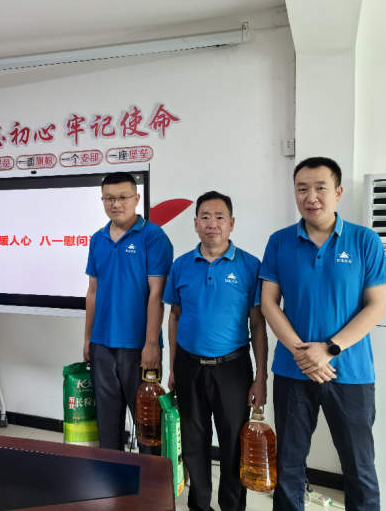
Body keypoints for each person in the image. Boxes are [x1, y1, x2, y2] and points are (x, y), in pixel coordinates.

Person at [260, 157, 386, 511]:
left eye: (320, 188)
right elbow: (269, 303)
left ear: (338, 192)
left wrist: (329, 349)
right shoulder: (279, 242)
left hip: (350, 373)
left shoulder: (364, 240)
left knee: (359, 468)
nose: (311, 197)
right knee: (288, 465)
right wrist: (302, 353)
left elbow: (376, 307)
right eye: (302, 189)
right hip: (292, 371)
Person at [164, 191, 267, 511]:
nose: (212, 223)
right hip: (189, 365)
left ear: (231, 223)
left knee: (234, 445)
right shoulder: (181, 265)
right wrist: (173, 367)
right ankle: (199, 505)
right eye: (205, 217)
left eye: (219, 217)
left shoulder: (250, 265)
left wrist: (260, 377)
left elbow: (258, 324)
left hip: (233, 369)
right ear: (195, 223)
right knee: (193, 443)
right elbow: (174, 316)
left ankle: (232, 507)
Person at [83, 172, 173, 453]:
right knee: (107, 424)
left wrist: (151, 344)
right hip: (101, 344)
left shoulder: (153, 236)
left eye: (122, 197)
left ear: (136, 198)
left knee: (147, 427)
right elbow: (92, 291)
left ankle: (149, 479)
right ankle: (112, 476)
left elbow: (157, 294)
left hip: (139, 346)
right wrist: (87, 339)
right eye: (108, 198)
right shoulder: (97, 239)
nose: (116, 204)